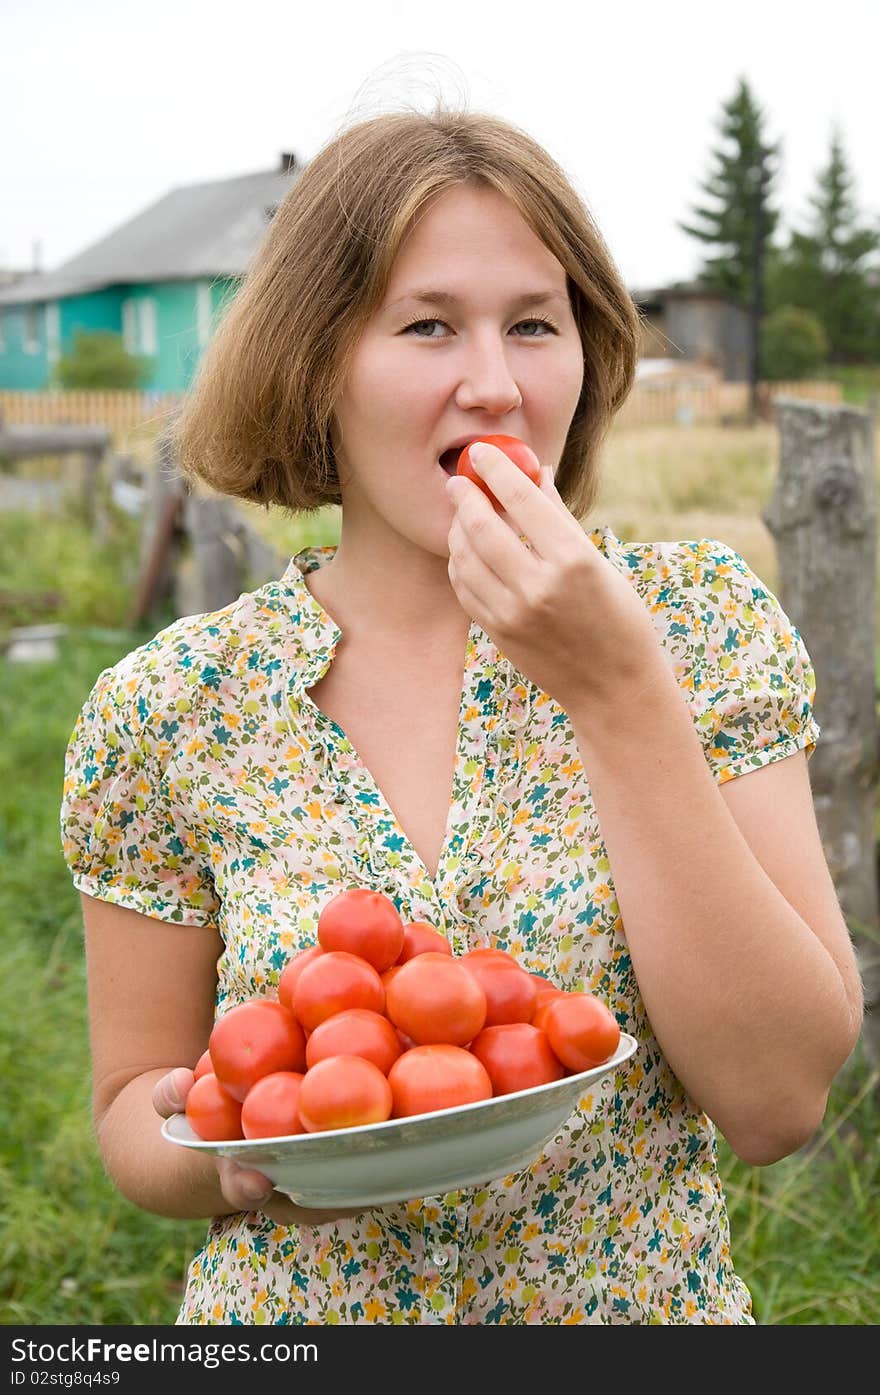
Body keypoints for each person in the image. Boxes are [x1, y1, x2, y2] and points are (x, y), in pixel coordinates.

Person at [60, 104, 864, 1326]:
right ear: (315, 361)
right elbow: (132, 1102)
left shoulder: (697, 628)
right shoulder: (173, 707)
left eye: (534, 326)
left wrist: (618, 692)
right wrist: (228, 1157)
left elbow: (776, 1105)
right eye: (429, 325)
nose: (494, 386)